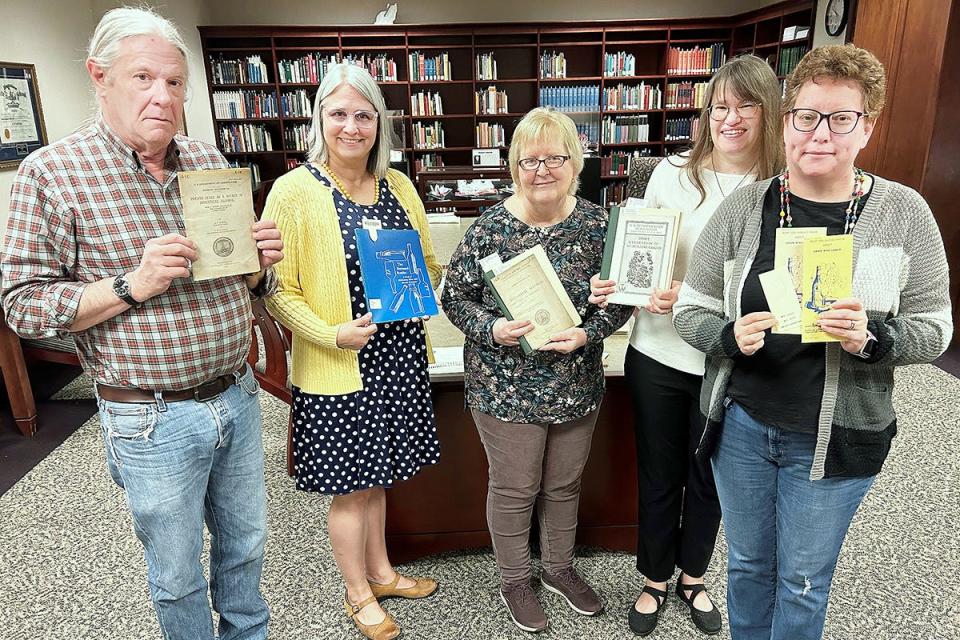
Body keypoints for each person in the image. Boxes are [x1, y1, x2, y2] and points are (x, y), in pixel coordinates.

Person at [0, 7, 284, 640]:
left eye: (176, 83)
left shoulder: (208, 159)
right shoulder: (51, 174)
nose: (163, 96)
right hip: (149, 416)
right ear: (99, 77)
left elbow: (239, 281)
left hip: (237, 394)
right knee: (177, 572)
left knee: (247, 550)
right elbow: (21, 305)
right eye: (143, 77)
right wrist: (133, 284)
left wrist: (256, 264)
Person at [673, 44, 952, 640]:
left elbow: (935, 328)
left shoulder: (904, 213)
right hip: (743, 426)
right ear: (787, 120)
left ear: (866, 127)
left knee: (802, 578)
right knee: (747, 566)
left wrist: (875, 339)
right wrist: (726, 334)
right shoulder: (746, 208)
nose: (819, 133)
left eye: (840, 118)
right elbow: (691, 310)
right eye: (806, 116)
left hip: (839, 433)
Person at [590, 55, 783, 637]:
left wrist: (700, 300)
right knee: (658, 469)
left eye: (745, 106)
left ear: (769, 113)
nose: (730, 118)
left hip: (730, 357)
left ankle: (692, 575)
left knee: (711, 475)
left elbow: (776, 280)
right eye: (719, 106)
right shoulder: (669, 173)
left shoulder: (780, 185)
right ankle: (653, 579)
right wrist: (620, 281)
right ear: (705, 114)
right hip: (658, 349)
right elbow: (640, 253)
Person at [261, 63, 440, 640]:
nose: (352, 126)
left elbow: (428, 265)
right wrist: (330, 333)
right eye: (338, 113)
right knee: (350, 486)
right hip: (339, 363)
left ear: (379, 123)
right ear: (320, 120)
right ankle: (357, 592)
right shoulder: (293, 191)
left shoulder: (399, 185)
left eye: (364, 114)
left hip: (398, 355)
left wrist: (429, 290)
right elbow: (277, 290)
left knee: (380, 475)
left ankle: (383, 571)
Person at [442, 107, 634, 634]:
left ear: (575, 163)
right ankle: (514, 579)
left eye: (554, 158)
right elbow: (453, 297)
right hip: (505, 387)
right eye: (529, 160)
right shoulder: (489, 228)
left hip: (575, 383)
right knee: (514, 488)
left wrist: (590, 331)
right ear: (513, 166)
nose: (542, 169)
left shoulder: (599, 226)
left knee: (564, 485)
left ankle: (558, 569)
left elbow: (620, 301)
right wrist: (491, 329)